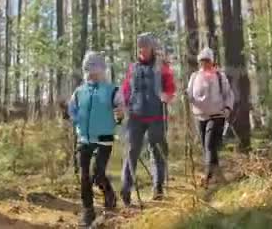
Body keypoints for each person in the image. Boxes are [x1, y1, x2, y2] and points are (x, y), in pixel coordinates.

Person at [68, 51, 124, 226]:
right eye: (88, 69)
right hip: (84, 139)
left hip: (104, 138)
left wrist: (120, 114)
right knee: (85, 176)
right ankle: (88, 210)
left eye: (94, 68)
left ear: (102, 69)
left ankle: (109, 194)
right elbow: (72, 110)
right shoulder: (79, 91)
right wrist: (75, 118)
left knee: (98, 174)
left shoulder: (112, 90)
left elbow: (121, 108)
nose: (91, 73)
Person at [120, 33, 176, 206]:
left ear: (152, 47)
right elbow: (126, 88)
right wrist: (123, 103)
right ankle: (126, 188)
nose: (142, 49)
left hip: (156, 115)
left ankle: (158, 187)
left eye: (145, 46)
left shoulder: (162, 66)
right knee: (131, 151)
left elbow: (170, 85)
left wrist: (167, 95)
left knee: (157, 151)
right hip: (135, 115)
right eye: (140, 46)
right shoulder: (133, 67)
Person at [186, 47, 234, 188]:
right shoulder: (195, 76)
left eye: (207, 61)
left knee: (209, 144)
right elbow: (190, 93)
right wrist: (186, 96)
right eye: (202, 61)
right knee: (207, 147)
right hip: (200, 116)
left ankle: (207, 177)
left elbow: (228, 94)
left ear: (212, 61)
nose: (204, 64)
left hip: (217, 115)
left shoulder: (219, 76)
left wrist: (227, 108)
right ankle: (219, 177)